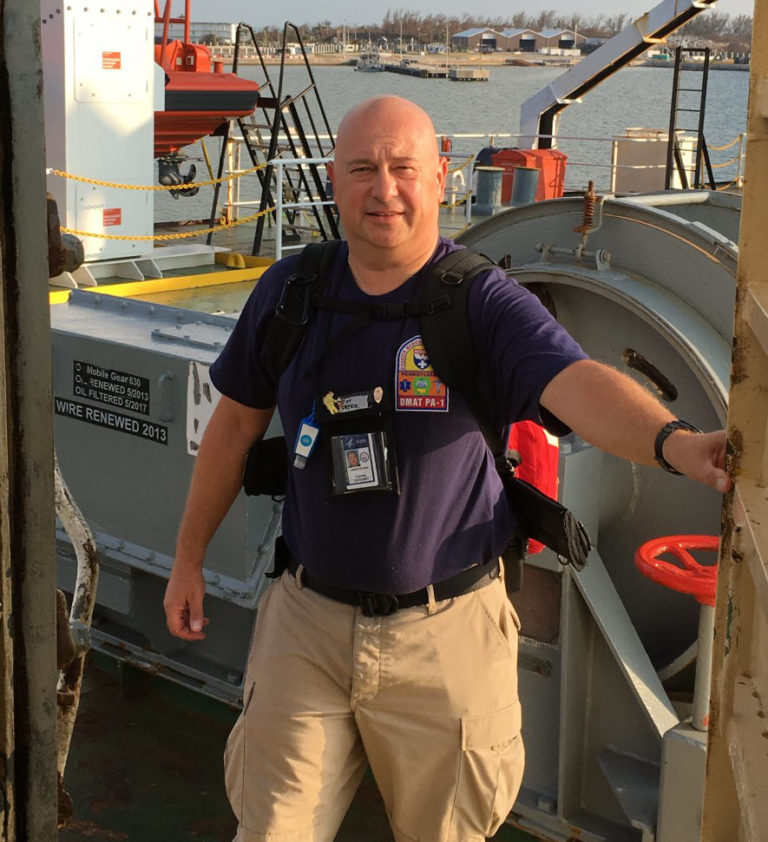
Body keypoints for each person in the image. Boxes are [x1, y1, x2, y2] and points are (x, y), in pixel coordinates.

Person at [164, 95, 731, 842]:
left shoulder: (481, 303)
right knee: (271, 828)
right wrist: (187, 560)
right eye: (363, 168)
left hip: (447, 633)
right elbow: (235, 425)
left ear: (440, 178)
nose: (384, 189)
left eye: (404, 168)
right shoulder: (292, 291)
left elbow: (577, 383)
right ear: (334, 180)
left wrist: (678, 443)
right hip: (306, 623)